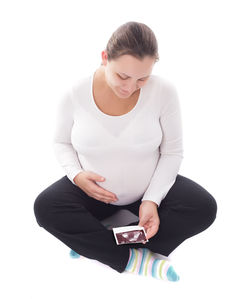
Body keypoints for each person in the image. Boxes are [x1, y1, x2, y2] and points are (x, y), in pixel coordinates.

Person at [33, 21, 217, 282]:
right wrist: (76, 176)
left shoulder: (164, 92)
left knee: (203, 207)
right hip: (92, 193)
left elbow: (172, 152)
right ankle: (135, 259)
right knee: (45, 207)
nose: (130, 87)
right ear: (105, 58)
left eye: (142, 78)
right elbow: (61, 143)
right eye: (122, 76)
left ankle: (96, 245)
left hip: (147, 192)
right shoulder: (73, 95)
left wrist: (151, 200)